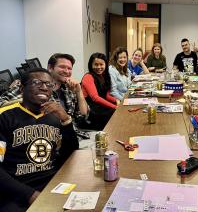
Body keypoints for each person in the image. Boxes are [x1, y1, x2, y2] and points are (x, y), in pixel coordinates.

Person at [0, 68, 79, 211]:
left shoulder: (55, 115)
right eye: (37, 82)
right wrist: (30, 194)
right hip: (16, 190)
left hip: (53, 184)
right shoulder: (5, 117)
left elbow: (71, 153)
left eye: (49, 84)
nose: (44, 87)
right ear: (22, 88)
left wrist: (66, 120)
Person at [0, 53, 88, 123]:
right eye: (62, 67)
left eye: (69, 68)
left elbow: (83, 114)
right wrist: (29, 99)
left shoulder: (69, 89)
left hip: (70, 133)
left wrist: (79, 91)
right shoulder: (31, 86)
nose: (66, 71)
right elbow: (1, 102)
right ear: (50, 68)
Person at [81, 53, 117, 130]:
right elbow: (95, 98)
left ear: (105, 65)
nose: (99, 67)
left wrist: (117, 101)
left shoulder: (104, 76)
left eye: (101, 64)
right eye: (96, 64)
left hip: (100, 105)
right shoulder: (88, 76)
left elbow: (106, 95)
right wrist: (115, 107)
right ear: (91, 65)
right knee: (114, 113)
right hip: (91, 109)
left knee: (117, 109)